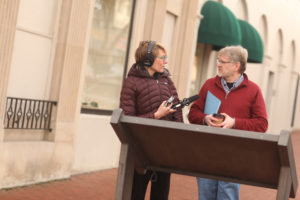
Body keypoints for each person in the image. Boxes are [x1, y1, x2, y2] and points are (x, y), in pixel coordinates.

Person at [188, 45, 268, 200]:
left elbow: (262, 124)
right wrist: (205, 118)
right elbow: (193, 113)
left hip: (235, 155)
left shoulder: (253, 90)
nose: (218, 64)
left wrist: (234, 123)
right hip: (207, 154)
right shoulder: (209, 85)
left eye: (222, 62)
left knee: (227, 197)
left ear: (236, 66)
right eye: (218, 60)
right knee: (205, 197)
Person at [120, 40, 183, 200]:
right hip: (142, 150)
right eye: (162, 58)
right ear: (148, 60)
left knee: (161, 195)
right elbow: (128, 120)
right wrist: (156, 115)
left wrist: (178, 140)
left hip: (165, 149)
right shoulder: (131, 83)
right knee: (136, 193)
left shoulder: (167, 80)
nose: (166, 61)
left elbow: (177, 112)